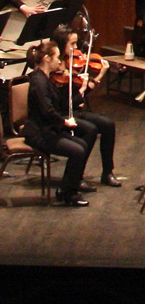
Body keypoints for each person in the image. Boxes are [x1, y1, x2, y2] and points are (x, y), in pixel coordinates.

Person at [23, 39, 95, 206]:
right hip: (37, 133)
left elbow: (57, 104)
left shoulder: (45, 78)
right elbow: (47, 111)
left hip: (47, 129)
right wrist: (64, 122)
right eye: (57, 57)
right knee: (77, 151)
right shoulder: (39, 81)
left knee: (82, 145)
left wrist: (80, 92)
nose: (60, 61)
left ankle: (65, 189)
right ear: (47, 59)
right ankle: (69, 193)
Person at [53, 26, 120, 188]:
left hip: (74, 110)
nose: (76, 49)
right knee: (90, 129)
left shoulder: (71, 64)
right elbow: (67, 101)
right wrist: (82, 88)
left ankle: (107, 172)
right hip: (62, 115)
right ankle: (77, 176)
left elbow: (78, 98)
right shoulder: (54, 68)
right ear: (62, 44)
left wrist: (100, 75)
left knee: (108, 124)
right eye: (72, 44)